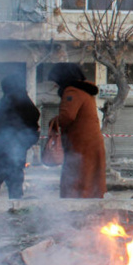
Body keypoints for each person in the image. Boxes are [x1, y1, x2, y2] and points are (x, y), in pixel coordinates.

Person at [48, 63, 106, 199]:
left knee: (77, 182)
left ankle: (76, 213)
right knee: (92, 183)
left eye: (56, 81)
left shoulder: (72, 91)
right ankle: (92, 213)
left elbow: (67, 116)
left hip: (80, 146)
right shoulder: (85, 92)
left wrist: (52, 122)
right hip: (90, 144)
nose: (55, 85)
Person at [0, 73, 40, 199]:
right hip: (17, 156)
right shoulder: (28, 105)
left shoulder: (6, 102)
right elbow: (34, 133)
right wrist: (23, 145)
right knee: (15, 190)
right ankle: (16, 212)